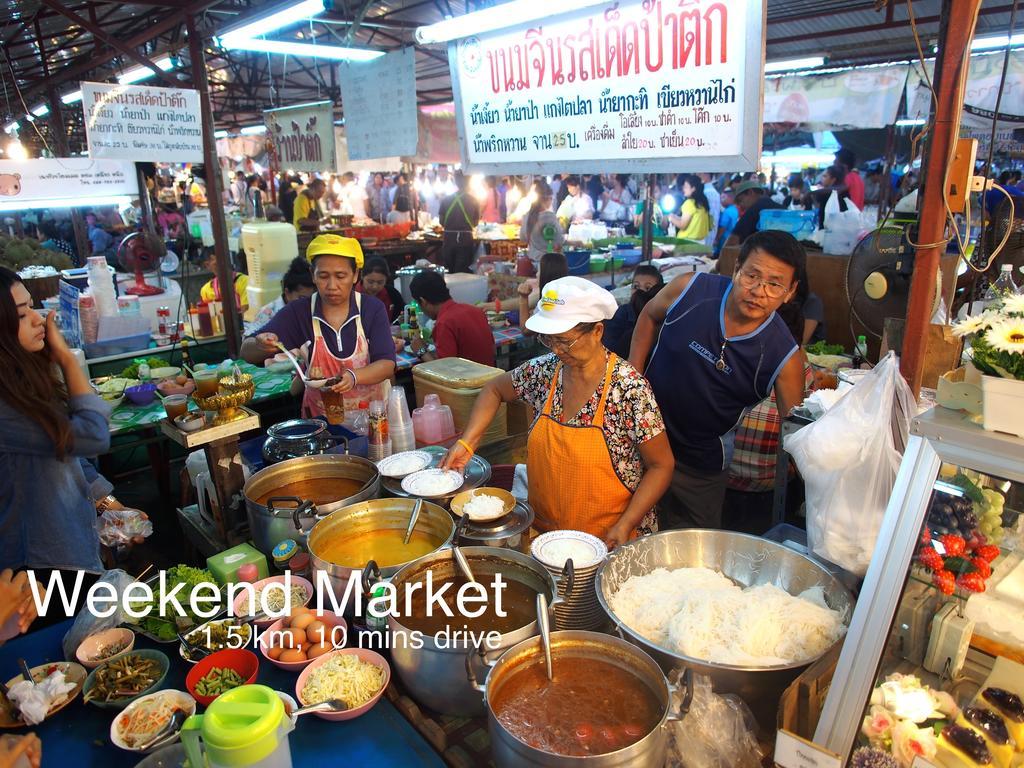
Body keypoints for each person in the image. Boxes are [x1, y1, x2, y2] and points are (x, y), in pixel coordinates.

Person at [442, 276, 674, 547]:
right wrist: (467, 442)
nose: (556, 350)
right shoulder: (544, 372)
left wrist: (625, 524)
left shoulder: (628, 389)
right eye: (549, 340)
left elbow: (662, 466)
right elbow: (493, 390)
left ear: (597, 331)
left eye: (565, 341)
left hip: (608, 539)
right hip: (546, 537)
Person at [629, 230, 806, 530]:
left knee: (689, 553)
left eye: (775, 284)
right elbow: (648, 314)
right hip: (639, 439)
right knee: (625, 527)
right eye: (752, 276)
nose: (759, 290)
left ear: (790, 292)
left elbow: (798, 436)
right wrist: (632, 378)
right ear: (736, 269)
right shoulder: (691, 289)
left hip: (699, 468)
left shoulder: (784, 357)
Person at [0, 267, 133, 577]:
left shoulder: (20, 384)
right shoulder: (5, 408)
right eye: (21, 315)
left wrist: (110, 505)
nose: (37, 319)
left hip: (71, 548)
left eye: (31, 306)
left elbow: (67, 452)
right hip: (38, 566)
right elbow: (90, 436)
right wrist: (67, 358)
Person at [242, 234, 396, 418]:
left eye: (341, 276)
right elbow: (246, 353)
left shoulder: (371, 309)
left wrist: (354, 377)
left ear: (355, 275)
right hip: (321, 422)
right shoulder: (298, 313)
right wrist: (260, 345)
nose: (332, 286)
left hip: (373, 417)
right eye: (323, 276)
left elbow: (387, 364)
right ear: (312, 275)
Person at [722, 304, 812, 535]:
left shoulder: (732, 356)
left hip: (722, 478)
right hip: (768, 485)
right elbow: (799, 433)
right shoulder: (801, 369)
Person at [409, 270, 495, 366]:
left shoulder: (444, 323)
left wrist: (421, 351)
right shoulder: (475, 310)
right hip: (491, 375)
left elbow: (446, 371)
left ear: (423, 301)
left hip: (470, 379)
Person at [602, 265, 664, 357]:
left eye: (648, 288)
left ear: (659, 291)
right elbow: (609, 350)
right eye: (636, 286)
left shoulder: (662, 317)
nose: (640, 291)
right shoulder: (621, 314)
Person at [245, 257, 316, 335]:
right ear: (287, 292)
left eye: (311, 298)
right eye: (302, 298)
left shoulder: (313, 309)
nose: (307, 303)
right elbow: (249, 338)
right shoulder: (268, 313)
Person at [517, 252, 569, 331]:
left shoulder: (550, 300)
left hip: (551, 343)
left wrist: (523, 298)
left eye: (539, 271)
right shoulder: (566, 294)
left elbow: (525, 330)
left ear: (546, 274)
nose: (537, 275)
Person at [520, 180, 565, 272]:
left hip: (532, 261)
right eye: (551, 199)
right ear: (548, 199)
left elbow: (523, 238)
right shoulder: (549, 217)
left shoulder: (527, 216)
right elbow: (559, 240)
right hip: (547, 264)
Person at [726, 180, 782, 246]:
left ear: (750, 192)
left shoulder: (753, 210)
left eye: (740, 200)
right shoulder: (781, 208)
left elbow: (732, 242)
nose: (740, 205)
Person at [357, 257, 405, 324]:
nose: (375, 287)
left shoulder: (392, 294)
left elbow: (403, 314)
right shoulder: (351, 296)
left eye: (380, 282)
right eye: (370, 282)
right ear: (362, 275)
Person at [667, 174, 711, 241]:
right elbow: (690, 220)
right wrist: (675, 217)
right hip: (700, 243)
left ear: (693, 188)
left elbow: (682, 225)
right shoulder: (702, 203)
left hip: (687, 244)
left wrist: (670, 218)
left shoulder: (689, 203)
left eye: (685, 187)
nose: (683, 189)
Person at [814, 165, 850, 229]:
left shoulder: (831, 193)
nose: (822, 178)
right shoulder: (841, 191)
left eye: (825, 176)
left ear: (833, 179)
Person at [698, 172, 722, 247]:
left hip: (702, 238)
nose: (697, 176)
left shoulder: (704, 192)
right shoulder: (715, 193)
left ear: (706, 175)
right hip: (710, 237)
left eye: (699, 174)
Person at [714, 188, 738, 256]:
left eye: (723, 197)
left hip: (724, 243)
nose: (721, 200)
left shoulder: (727, 212)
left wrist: (716, 239)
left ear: (730, 198)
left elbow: (722, 228)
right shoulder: (736, 210)